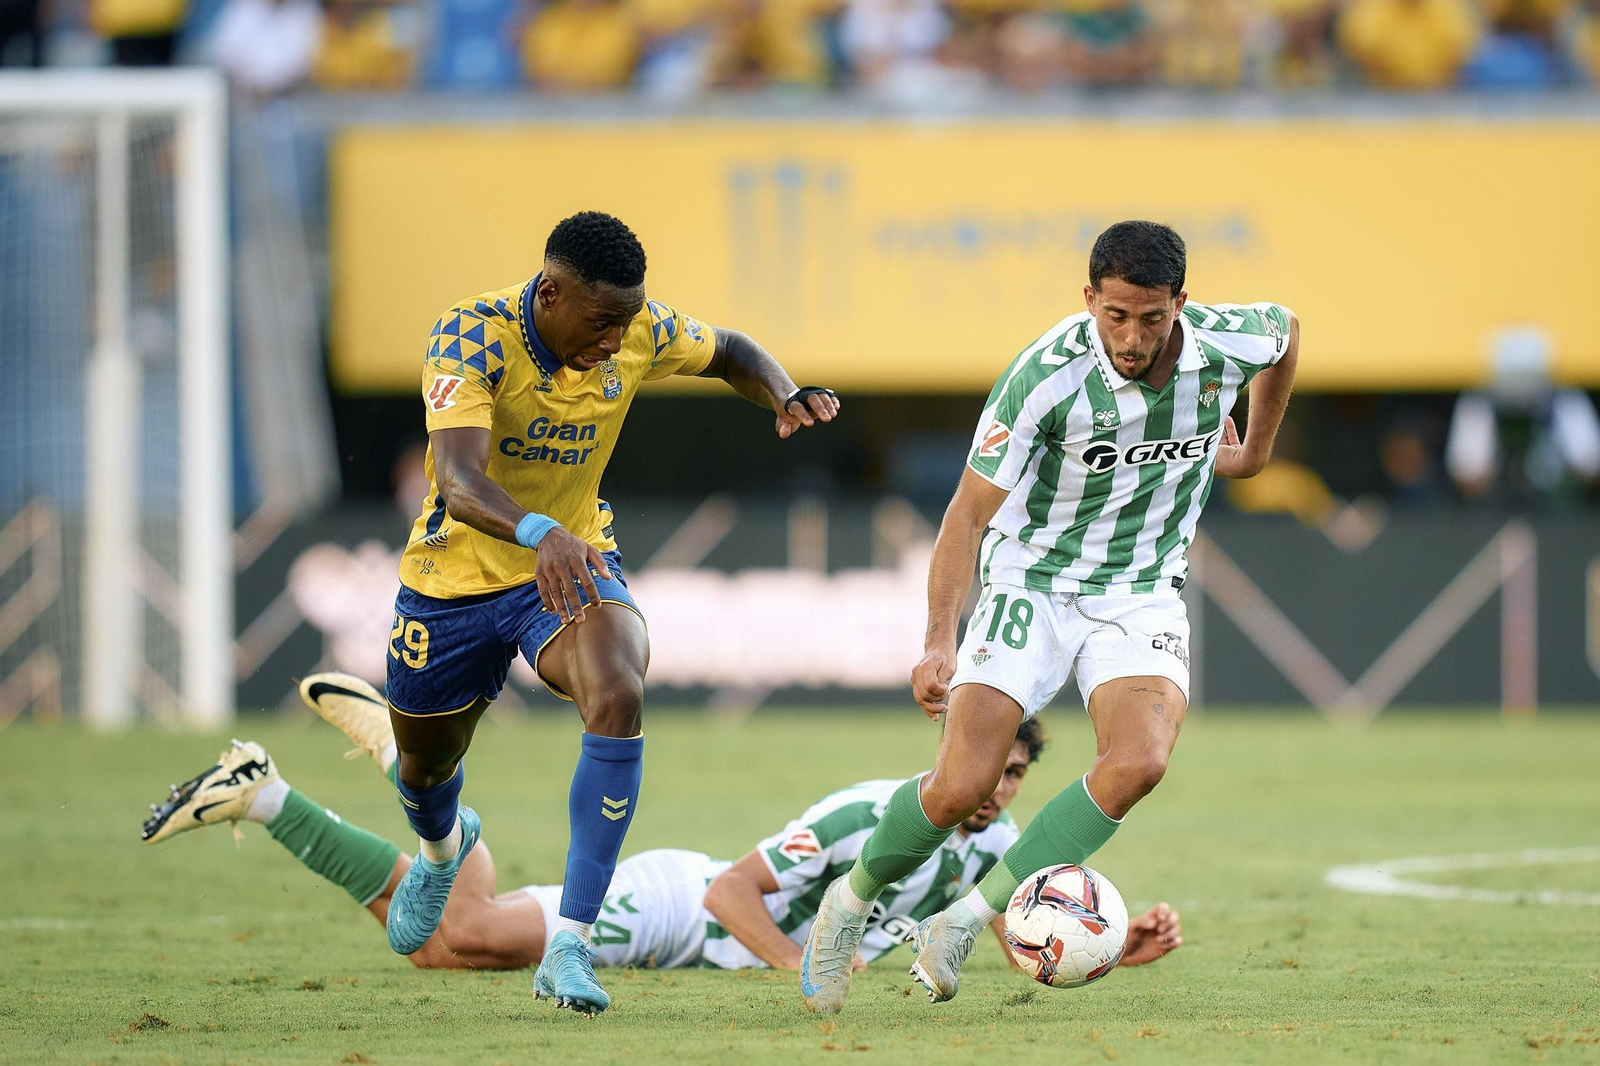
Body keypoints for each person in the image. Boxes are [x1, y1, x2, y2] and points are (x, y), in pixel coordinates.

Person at [799, 220, 1297, 1013]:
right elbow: (965, 515)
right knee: (963, 785)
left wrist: (1257, 451)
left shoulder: (1228, 342)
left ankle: (962, 923)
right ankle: (846, 905)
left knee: (1140, 762)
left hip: (1140, 588)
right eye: (1116, 316)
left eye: (1152, 318)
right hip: (1032, 581)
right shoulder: (1045, 376)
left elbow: (1288, 333)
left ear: (1181, 304)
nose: (1131, 338)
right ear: (1089, 299)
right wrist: (937, 640)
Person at [376, 211, 838, 1014]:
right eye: (600, 322)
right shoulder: (472, 336)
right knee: (424, 767)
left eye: (626, 321)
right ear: (550, 294)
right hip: (454, 579)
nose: (615, 339)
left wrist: (783, 389)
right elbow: (458, 480)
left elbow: (729, 348)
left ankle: (570, 943)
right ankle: (443, 851)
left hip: (569, 561)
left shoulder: (637, 329)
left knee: (619, 692)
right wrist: (538, 531)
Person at [140, 673, 1184, 975]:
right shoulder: (871, 813)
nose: (998, 787)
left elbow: (998, 933)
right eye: (990, 765)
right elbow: (732, 892)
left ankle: (267, 795)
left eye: (1015, 773)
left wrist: (1102, 950)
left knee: (435, 945)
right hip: (680, 906)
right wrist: (805, 968)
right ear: (955, 752)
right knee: (466, 928)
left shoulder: (997, 847)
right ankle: (419, 773)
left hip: (710, 947)